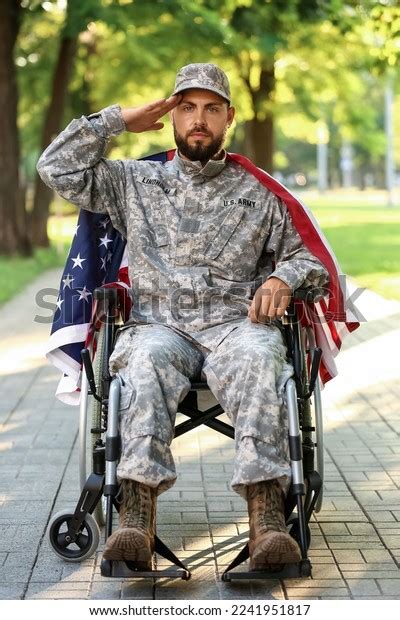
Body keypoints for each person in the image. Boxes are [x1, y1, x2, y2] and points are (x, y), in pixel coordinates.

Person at [37, 63, 329, 571]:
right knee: (144, 360)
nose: (199, 119)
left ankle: (268, 522)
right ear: (172, 114)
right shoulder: (135, 180)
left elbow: (311, 262)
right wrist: (115, 121)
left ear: (229, 117)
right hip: (159, 327)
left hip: (238, 327)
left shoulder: (260, 192)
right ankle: (135, 517)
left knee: (262, 356)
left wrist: (283, 279)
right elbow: (55, 168)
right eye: (188, 107)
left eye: (211, 109)